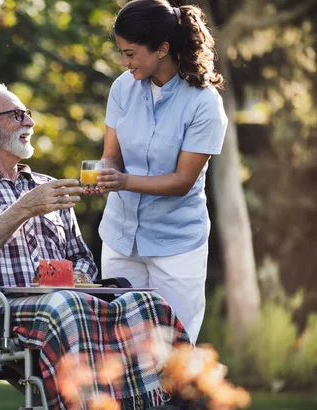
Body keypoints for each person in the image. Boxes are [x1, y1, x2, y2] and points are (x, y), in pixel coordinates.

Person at [0, 82, 190, 409]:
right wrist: (24, 208)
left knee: (148, 303)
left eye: (28, 114)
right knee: (64, 306)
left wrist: (80, 277)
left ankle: (186, 399)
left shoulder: (48, 186)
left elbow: (81, 258)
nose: (29, 122)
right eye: (17, 115)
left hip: (68, 300)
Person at [90, 0, 228, 344]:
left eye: (131, 53)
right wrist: (103, 175)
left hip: (176, 245)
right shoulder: (123, 88)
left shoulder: (203, 103)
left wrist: (122, 181)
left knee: (174, 352)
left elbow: (183, 181)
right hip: (121, 239)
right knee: (123, 350)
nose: (125, 63)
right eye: (122, 52)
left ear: (163, 49)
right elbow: (111, 156)